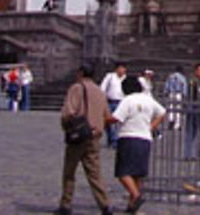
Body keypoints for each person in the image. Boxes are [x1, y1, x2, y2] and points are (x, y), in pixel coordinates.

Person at [56, 65, 114, 215]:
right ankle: (105, 204)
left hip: (78, 136)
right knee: (94, 173)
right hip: (94, 137)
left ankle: (66, 204)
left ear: (81, 73)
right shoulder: (100, 91)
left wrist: (66, 127)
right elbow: (107, 114)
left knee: (69, 172)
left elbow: (68, 112)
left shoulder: (77, 88)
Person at [109, 75, 165, 214]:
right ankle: (132, 205)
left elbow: (116, 118)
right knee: (137, 173)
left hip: (129, 136)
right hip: (145, 138)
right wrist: (152, 126)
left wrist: (103, 118)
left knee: (123, 172)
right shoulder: (148, 99)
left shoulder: (128, 100)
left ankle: (135, 195)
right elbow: (162, 113)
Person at [99, 62, 127, 149]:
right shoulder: (110, 76)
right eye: (122, 68)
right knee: (107, 122)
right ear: (117, 69)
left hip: (121, 102)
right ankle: (111, 138)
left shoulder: (125, 78)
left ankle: (115, 140)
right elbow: (102, 88)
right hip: (110, 102)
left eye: (124, 69)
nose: (123, 70)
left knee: (116, 122)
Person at [163, 66, 187, 130]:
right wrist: (184, 94)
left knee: (171, 107)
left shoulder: (170, 76)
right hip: (178, 93)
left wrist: (166, 91)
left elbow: (167, 84)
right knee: (178, 108)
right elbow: (184, 86)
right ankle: (177, 124)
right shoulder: (182, 77)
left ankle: (171, 121)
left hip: (171, 93)